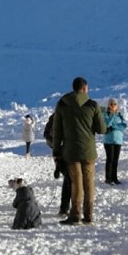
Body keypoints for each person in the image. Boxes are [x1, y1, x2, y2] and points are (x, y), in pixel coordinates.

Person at [51, 77, 105, 225]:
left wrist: (56, 151)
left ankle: (75, 215)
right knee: (89, 183)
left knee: (76, 183)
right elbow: (101, 129)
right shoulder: (93, 105)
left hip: (70, 151)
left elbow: (57, 131)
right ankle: (88, 216)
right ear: (85, 88)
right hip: (88, 152)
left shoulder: (62, 104)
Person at [102, 98, 127, 184]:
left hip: (118, 140)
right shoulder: (105, 114)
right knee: (110, 159)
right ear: (108, 105)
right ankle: (108, 178)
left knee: (115, 159)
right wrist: (112, 115)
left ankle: (114, 177)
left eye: (114, 104)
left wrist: (114, 127)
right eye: (111, 104)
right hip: (108, 140)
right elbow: (106, 124)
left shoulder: (120, 115)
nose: (113, 106)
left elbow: (123, 126)